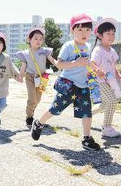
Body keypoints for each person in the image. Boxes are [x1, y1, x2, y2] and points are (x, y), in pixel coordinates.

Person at [31, 13, 105, 151]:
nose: (85, 33)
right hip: (68, 86)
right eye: (80, 30)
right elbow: (59, 64)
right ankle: (39, 123)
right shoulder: (68, 46)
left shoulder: (88, 47)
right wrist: (75, 63)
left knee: (86, 112)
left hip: (83, 86)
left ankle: (87, 138)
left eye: (88, 30)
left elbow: (88, 63)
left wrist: (97, 70)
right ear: (72, 31)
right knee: (55, 109)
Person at [90, 18, 121, 137]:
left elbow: (113, 66)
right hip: (100, 81)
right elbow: (91, 63)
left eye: (113, 33)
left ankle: (87, 114)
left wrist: (120, 78)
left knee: (104, 104)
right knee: (112, 101)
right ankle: (106, 128)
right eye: (108, 34)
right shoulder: (98, 50)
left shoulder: (112, 50)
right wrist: (97, 69)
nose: (111, 36)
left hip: (110, 82)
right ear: (100, 36)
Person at [15, 27, 56, 127]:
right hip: (30, 77)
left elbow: (53, 60)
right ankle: (29, 117)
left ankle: (32, 108)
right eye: (36, 38)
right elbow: (23, 66)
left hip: (42, 78)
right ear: (29, 39)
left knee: (38, 99)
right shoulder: (25, 53)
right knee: (32, 98)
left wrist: (59, 64)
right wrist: (20, 76)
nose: (39, 41)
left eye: (41, 39)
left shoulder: (45, 51)